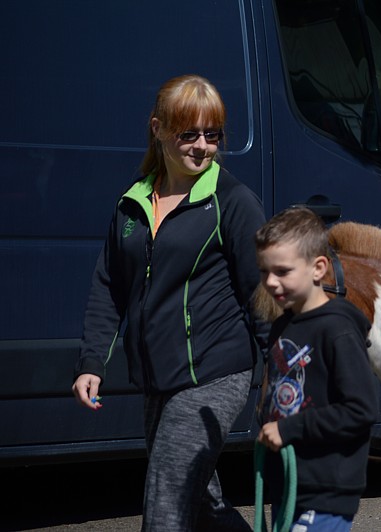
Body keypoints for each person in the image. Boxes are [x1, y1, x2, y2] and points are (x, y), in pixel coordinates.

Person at [72, 74, 268, 531]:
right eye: (189, 134)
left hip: (214, 372)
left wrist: (283, 374)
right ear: (158, 129)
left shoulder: (233, 202)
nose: (202, 146)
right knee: (200, 500)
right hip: (160, 377)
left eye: (213, 134)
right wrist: (91, 363)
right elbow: (109, 285)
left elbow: (264, 294)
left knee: (167, 498)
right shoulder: (134, 201)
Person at [254, 206, 378, 531]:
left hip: (326, 490)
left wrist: (289, 429)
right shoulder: (283, 325)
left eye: (282, 271)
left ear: (318, 268)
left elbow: (361, 409)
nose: (270, 282)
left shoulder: (338, 330)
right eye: (264, 271)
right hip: (289, 482)